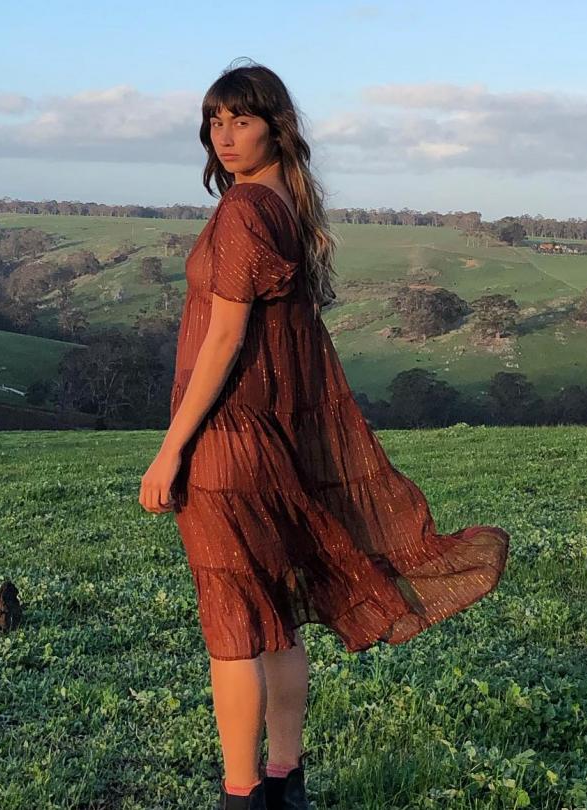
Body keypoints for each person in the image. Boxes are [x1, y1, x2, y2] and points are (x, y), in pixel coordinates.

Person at [139, 59, 510, 810]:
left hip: (227, 440)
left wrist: (172, 448)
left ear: (277, 126)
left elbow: (224, 340)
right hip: (268, 441)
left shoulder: (246, 212)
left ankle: (240, 796)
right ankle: (286, 783)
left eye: (242, 119)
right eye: (216, 121)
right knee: (275, 616)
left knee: (235, 624)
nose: (226, 135)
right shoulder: (284, 205)